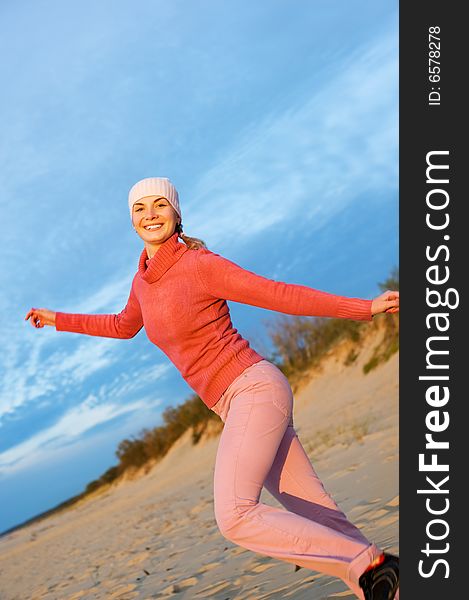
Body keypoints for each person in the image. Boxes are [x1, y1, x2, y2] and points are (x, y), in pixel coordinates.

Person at [25, 177, 399, 599]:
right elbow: (121, 326)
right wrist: (58, 319)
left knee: (235, 515)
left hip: (254, 389)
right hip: (233, 403)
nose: (150, 214)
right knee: (327, 524)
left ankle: (372, 566)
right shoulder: (142, 284)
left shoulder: (199, 265)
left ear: (176, 214)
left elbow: (276, 295)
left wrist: (362, 307)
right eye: (140, 208)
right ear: (131, 221)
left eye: (159, 205)